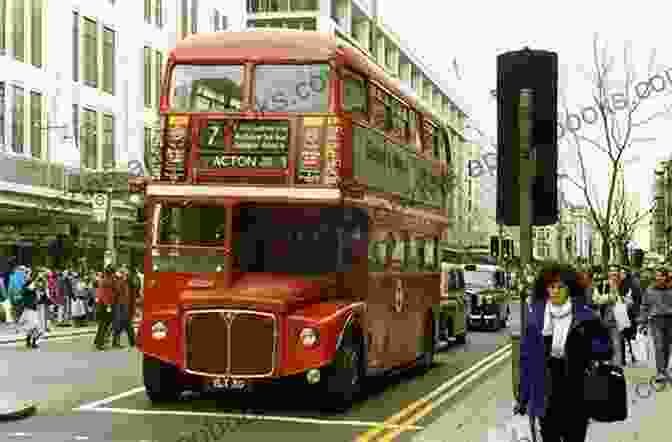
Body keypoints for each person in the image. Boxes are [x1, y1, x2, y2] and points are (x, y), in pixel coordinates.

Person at [517, 264, 613, 442]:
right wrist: (522, 396)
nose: (555, 291)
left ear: (570, 289)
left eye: (560, 287)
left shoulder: (586, 317)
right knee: (549, 436)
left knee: (574, 436)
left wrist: (588, 347)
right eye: (551, 287)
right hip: (546, 389)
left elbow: (606, 349)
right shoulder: (536, 317)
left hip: (576, 388)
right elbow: (526, 358)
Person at [638, 267, 672, 381]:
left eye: (661, 276)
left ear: (666, 277)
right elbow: (644, 306)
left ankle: (664, 369)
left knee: (667, 347)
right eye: (657, 275)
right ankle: (660, 372)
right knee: (659, 346)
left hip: (669, 320)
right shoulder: (649, 290)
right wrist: (642, 321)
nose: (658, 278)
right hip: (655, 320)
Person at [111, 268, 135, 348]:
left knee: (127, 326)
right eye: (126, 274)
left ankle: (133, 342)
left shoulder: (126, 283)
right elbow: (117, 294)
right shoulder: (120, 282)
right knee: (121, 326)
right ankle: (115, 343)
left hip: (125, 306)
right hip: (121, 307)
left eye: (127, 275)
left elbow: (129, 295)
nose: (127, 276)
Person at [93, 267, 117, 350]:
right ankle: (100, 343)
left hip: (102, 304)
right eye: (113, 273)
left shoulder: (104, 280)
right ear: (111, 273)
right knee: (104, 324)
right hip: (105, 305)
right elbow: (106, 295)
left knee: (103, 324)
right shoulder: (108, 281)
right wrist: (109, 305)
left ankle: (97, 341)